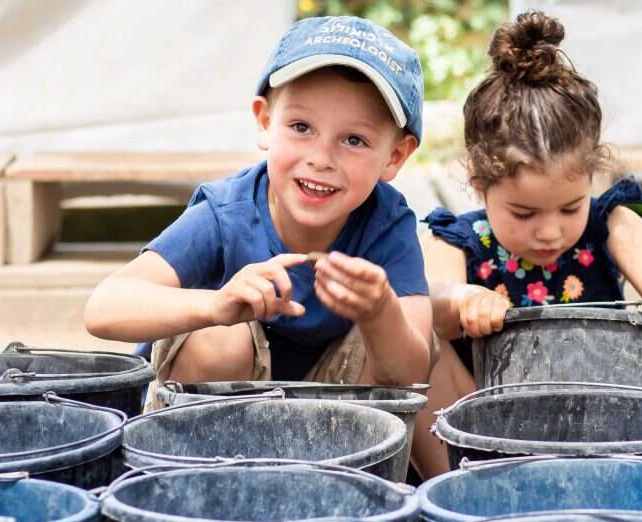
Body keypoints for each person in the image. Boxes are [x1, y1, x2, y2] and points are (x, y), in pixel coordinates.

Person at [414, 10, 642, 477]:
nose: (550, 231)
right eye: (523, 213)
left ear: (591, 176)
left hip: (607, 425)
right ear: (478, 184)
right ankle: (457, 484)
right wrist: (462, 299)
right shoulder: (459, 242)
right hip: (488, 430)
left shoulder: (612, 226)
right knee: (419, 342)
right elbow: (430, 302)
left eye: (570, 207)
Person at [84, 16, 434, 410]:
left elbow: (410, 374)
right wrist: (215, 305)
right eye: (301, 127)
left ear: (395, 156)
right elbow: (104, 307)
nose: (321, 159)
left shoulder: (386, 224)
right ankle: (195, 468)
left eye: (354, 140)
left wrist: (379, 312)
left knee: (397, 331)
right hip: (218, 417)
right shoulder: (228, 213)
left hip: (328, 422)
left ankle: (356, 469)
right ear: (266, 122)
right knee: (220, 335)